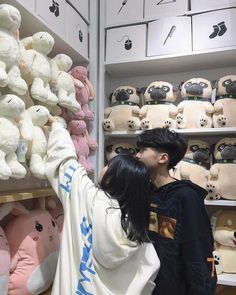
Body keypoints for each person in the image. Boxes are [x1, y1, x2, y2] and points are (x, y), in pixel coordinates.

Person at [45, 119, 160, 295]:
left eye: (108, 166)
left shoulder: (88, 197)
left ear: (113, 177)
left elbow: (65, 162)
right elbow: (148, 277)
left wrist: (57, 126)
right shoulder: (137, 227)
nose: (104, 168)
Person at [136, 127, 217, 295]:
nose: (137, 155)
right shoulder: (146, 193)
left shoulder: (186, 197)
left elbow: (198, 248)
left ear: (163, 158)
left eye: (143, 150)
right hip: (147, 285)